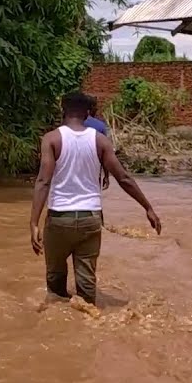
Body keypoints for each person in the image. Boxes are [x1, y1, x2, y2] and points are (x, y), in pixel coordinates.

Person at [30, 91, 161, 305]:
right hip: (91, 220)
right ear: (88, 113)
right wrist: (148, 207)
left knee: (55, 282)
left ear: (63, 111)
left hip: (59, 219)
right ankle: (88, 323)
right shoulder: (100, 141)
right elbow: (124, 178)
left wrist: (33, 222)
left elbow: (43, 181)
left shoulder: (51, 139)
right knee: (87, 284)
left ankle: (58, 327)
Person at [84, 96, 111, 189]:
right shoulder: (100, 126)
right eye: (96, 107)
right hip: (94, 171)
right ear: (91, 107)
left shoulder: (71, 124)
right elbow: (105, 153)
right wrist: (106, 175)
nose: (97, 109)